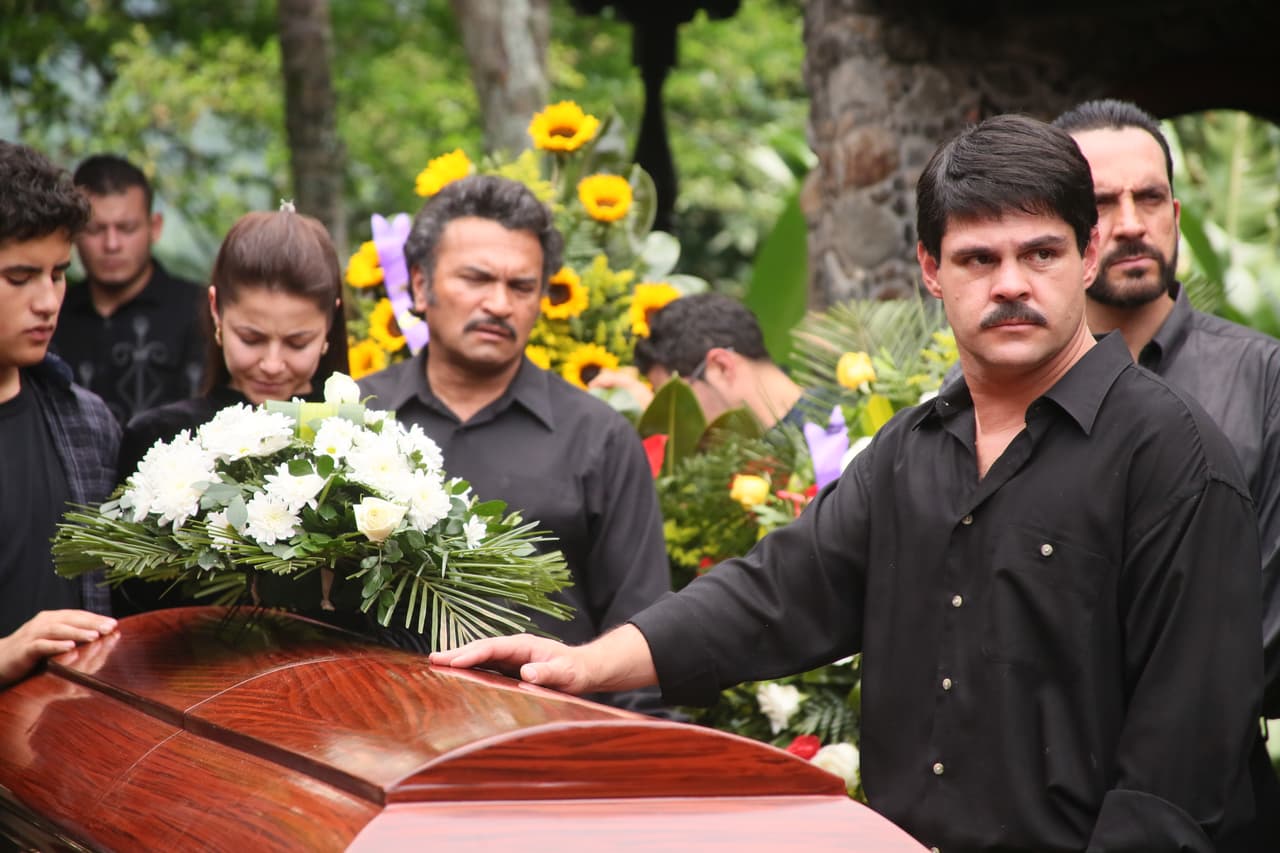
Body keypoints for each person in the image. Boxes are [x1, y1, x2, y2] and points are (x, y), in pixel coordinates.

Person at [431, 115, 1263, 851]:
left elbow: (1180, 762)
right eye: (978, 257)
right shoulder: (912, 451)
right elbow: (775, 593)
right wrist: (586, 663)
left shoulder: (1172, 457)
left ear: (1085, 257)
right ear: (931, 270)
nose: (1010, 282)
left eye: (1039, 252)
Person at [1055, 97, 1280, 851]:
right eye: (1100, 203)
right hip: (1040, 794)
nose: (1129, 223)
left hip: (1216, 803)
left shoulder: (1261, 379)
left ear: (1176, 212)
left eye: (1149, 198)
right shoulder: (1014, 390)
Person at [358, 175, 672, 716]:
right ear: (420, 285)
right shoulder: (354, 422)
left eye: (522, 287)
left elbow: (641, 631)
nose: (499, 304)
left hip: (547, 755)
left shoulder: (598, 438)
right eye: (476, 279)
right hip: (370, 738)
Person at [113, 205, 349, 615]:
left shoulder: (356, 442)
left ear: (330, 324)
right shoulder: (161, 438)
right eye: (252, 338)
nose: (273, 363)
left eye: (297, 343)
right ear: (216, 311)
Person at [0, 141, 119, 688]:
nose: (47, 301)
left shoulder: (87, 423)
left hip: (70, 752)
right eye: (20, 278)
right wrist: (10, 651)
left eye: (58, 273)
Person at [50, 154, 206, 425]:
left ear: (154, 227)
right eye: (96, 229)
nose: (112, 244)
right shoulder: (49, 312)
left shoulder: (198, 309)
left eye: (126, 228)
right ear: (73, 233)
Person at [594, 292, 815, 430]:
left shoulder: (831, 440)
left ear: (721, 366)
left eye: (677, 399)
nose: (677, 420)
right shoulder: (833, 411)